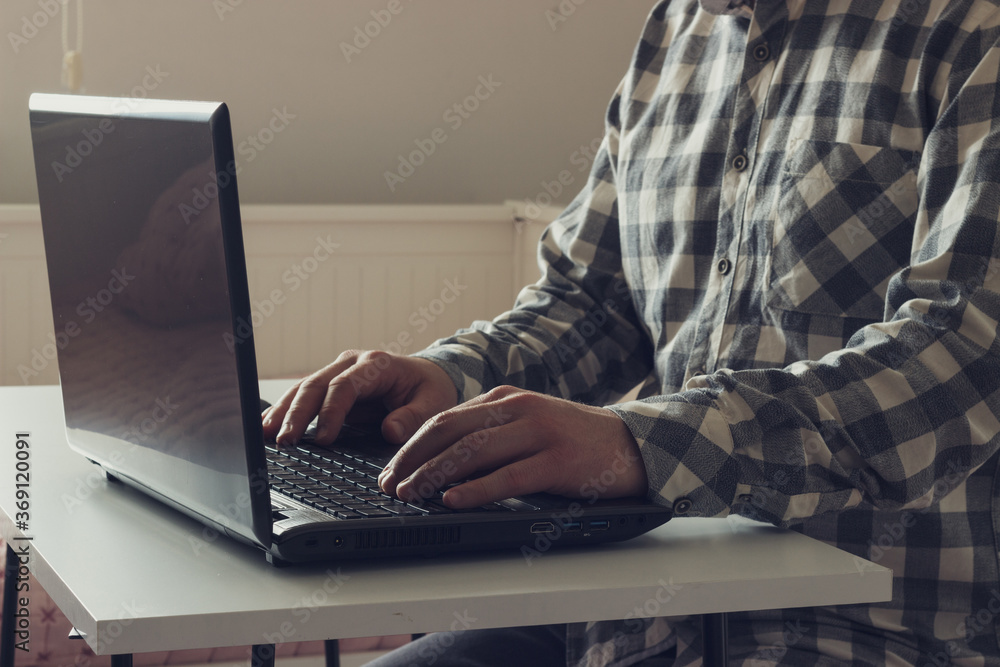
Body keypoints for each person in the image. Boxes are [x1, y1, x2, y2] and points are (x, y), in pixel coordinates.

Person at [262, 0, 1000, 663]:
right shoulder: (674, 30)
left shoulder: (971, 30)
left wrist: (637, 444)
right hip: (621, 614)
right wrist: (449, 379)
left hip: (874, 630)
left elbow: (962, 356)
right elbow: (592, 299)